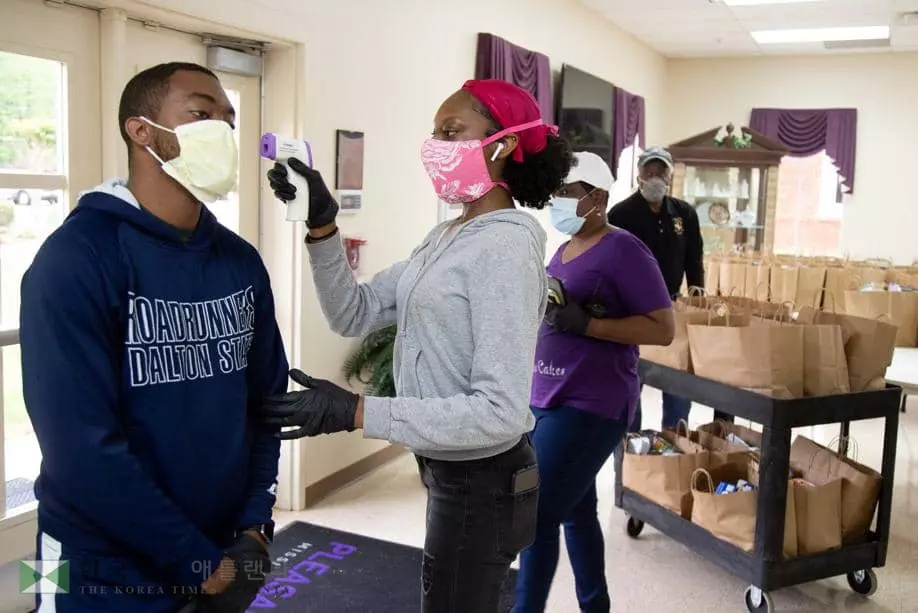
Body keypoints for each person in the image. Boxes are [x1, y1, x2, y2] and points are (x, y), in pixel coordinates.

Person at [262, 79, 574, 613]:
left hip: (483, 479)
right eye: (434, 132)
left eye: (451, 131)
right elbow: (351, 312)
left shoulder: (505, 246)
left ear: (500, 146)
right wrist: (322, 227)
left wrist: (359, 411)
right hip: (449, 468)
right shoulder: (447, 236)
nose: (435, 144)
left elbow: (499, 412)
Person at [20, 62, 287, 613]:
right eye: (200, 113)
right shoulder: (74, 259)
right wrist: (196, 561)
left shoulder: (239, 261)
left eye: (227, 120)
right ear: (140, 130)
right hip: (96, 562)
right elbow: (80, 449)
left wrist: (255, 522)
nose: (222, 130)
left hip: (220, 549)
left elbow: (265, 400)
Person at [514, 152, 674, 613]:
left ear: (597, 196)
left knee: (536, 517)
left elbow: (663, 329)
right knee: (577, 512)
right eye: (556, 193)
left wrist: (589, 327)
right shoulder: (562, 250)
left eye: (567, 192)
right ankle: (595, 605)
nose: (557, 202)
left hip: (592, 401)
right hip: (546, 397)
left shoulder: (624, 249)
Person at [607, 146, 703, 431]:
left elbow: (694, 259)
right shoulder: (621, 213)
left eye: (661, 171)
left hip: (673, 308)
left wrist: (698, 296)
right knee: (632, 382)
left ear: (670, 176)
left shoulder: (683, 213)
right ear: (639, 175)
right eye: (649, 171)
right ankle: (630, 452)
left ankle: (674, 444)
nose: (655, 177)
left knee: (677, 385)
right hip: (631, 310)